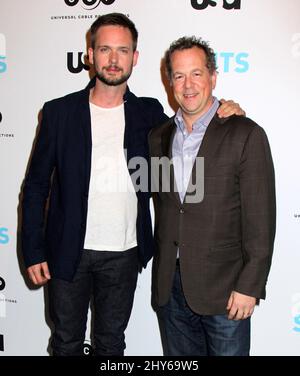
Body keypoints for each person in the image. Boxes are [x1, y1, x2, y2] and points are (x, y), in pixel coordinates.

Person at [21, 14, 245, 356]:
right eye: (105, 50)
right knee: (66, 343)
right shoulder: (59, 113)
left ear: (134, 58)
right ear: (90, 55)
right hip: (67, 252)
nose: (113, 60)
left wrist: (224, 108)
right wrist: (33, 249)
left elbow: (190, 122)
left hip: (124, 254)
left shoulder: (149, 113)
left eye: (123, 51)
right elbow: (36, 186)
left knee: (111, 345)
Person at [148, 36, 276, 356]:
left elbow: (260, 221)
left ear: (213, 77)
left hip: (225, 291)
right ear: (169, 81)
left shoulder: (245, 134)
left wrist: (249, 286)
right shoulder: (158, 137)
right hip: (171, 289)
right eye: (179, 75)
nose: (188, 85)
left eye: (196, 73)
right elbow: (168, 206)